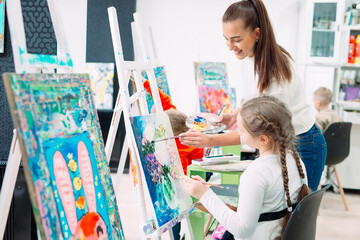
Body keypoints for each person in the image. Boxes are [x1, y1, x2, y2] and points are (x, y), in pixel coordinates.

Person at [179, 0, 326, 192]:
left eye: (236, 39)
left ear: (256, 33)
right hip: (282, 146)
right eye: (226, 39)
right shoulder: (251, 57)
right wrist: (234, 116)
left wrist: (211, 140)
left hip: (303, 144)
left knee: (298, 216)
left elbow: (259, 130)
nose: (230, 46)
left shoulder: (274, 72)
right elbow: (255, 101)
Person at [183, 95, 310, 240]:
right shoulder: (294, 159)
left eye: (241, 131)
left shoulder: (256, 173)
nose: (238, 134)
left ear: (263, 139)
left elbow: (241, 229)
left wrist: (203, 194)